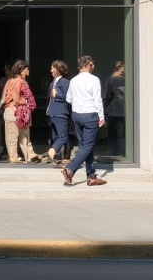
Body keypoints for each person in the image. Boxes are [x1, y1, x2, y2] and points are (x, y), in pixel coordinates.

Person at [62, 54, 107, 187]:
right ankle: (70, 169)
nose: (94, 66)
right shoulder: (94, 80)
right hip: (90, 114)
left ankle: (91, 176)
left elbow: (68, 98)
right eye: (93, 64)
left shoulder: (74, 80)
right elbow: (97, 99)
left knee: (86, 146)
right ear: (89, 64)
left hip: (77, 114)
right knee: (88, 146)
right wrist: (101, 116)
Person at [2, 60, 41, 163]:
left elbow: (4, 97)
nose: (28, 71)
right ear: (22, 70)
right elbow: (15, 96)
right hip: (18, 111)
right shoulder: (20, 81)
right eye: (27, 69)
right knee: (24, 136)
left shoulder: (9, 81)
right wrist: (24, 101)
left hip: (10, 111)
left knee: (11, 137)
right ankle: (28, 156)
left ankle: (15, 156)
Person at [45, 60, 71, 166]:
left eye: (52, 68)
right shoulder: (53, 82)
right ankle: (57, 157)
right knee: (55, 136)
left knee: (63, 136)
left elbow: (68, 97)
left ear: (58, 69)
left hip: (61, 113)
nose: (51, 70)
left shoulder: (65, 82)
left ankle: (53, 150)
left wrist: (57, 95)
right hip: (52, 113)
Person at [103, 61, 126, 156]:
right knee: (120, 131)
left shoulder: (110, 79)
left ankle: (113, 150)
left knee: (112, 131)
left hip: (113, 108)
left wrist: (105, 107)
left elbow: (107, 95)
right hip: (121, 108)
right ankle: (120, 150)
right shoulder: (123, 79)